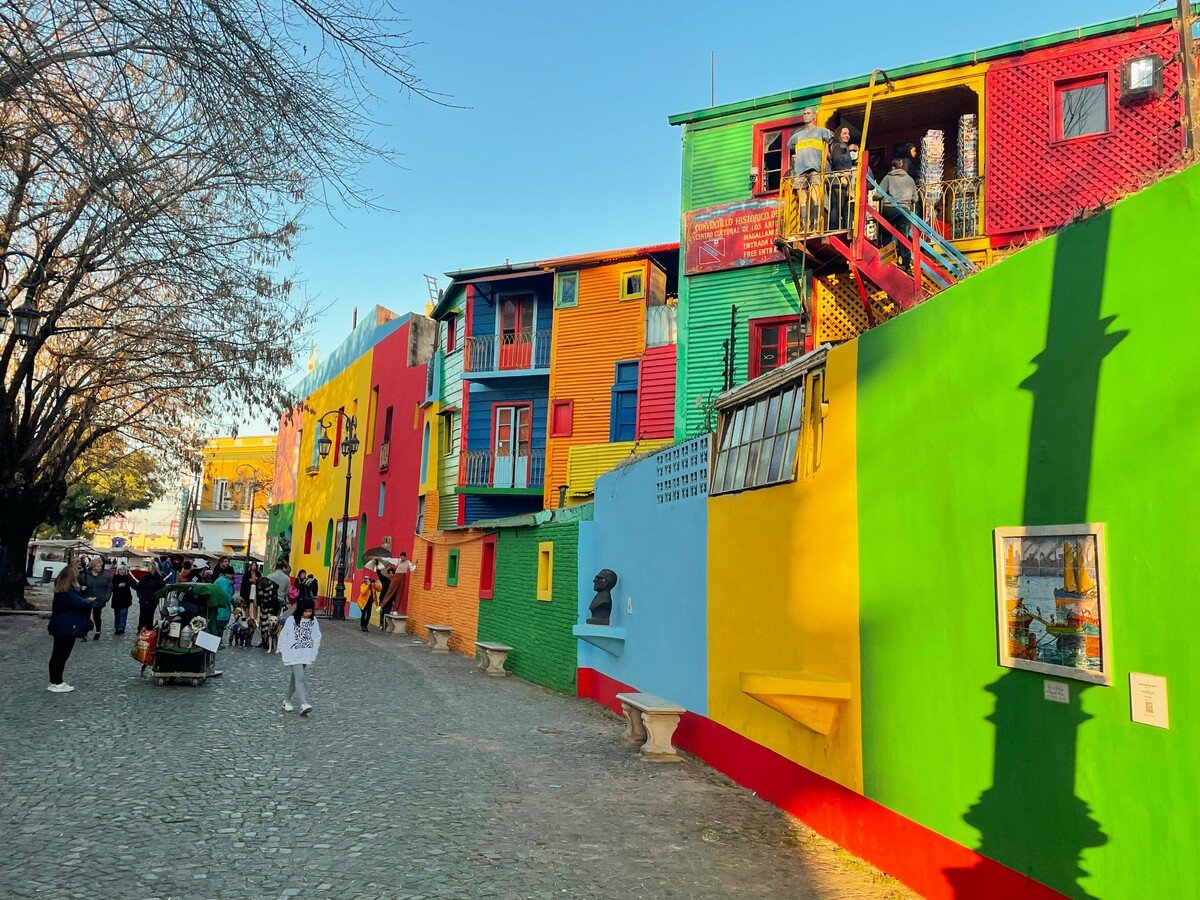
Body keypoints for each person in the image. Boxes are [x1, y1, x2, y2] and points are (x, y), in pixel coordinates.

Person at [785, 107, 833, 233]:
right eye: (804, 114)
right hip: (799, 170)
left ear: (814, 116)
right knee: (802, 197)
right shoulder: (796, 136)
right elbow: (790, 151)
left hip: (815, 168)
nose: (805, 116)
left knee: (814, 195)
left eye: (808, 113)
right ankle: (803, 227)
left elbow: (832, 143)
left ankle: (816, 225)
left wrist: (827, 161)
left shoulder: (822, 131)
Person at [47, 566, 92, 692]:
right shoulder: (69, 592)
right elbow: (80, 603)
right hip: (66, 626)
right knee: (61, 655)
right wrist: (89, 602)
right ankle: (57, 682)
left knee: (57, 654)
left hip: (59, 625)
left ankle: (54, 681)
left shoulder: (61, 590)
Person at [872, 158, 919, 271]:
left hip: (889, 209)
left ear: (893, 167)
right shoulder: (910, 179)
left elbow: (878, 195)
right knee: (903, 237)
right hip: (904, 210)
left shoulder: (888, 177)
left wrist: (875, 197)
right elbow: (915, 198)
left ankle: (889, 261)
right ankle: (906, 265)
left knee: (886, 234)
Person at [280, 597, 321, 717]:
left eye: (310, 611)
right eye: (306, 611)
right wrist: (282, 649)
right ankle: (303, 703)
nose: (308, 613)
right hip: (293, 653)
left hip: (305, 653)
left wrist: (314, 649)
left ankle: (286, 701)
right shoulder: (291, 620)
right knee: (300, 678)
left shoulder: (314, 621)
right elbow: (284, 634)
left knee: (295, 678)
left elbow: (317, 635)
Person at [827, 126, 856, 231]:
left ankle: (843, 228)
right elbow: (837, 160)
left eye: (848, 134)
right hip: (839, 180)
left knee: (842, 206)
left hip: (841, 180)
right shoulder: (839, 146)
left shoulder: (841, 146)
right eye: (844, 133)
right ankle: (833, 229)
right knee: (837, 205)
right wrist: (843, 175)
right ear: (839, 134)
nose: (847, 136)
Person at [78, 558, 113, 642]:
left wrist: (106, 598)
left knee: (97, 616)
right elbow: (77, 585)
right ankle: (84, 634)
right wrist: (81, 588)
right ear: (93, 567)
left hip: (99, 599)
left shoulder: (105, 576)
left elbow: (109, 587)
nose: (100, 568)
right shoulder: (84, 575)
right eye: (98, 566)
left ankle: (98, 631)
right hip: (86, 598)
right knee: (85, 616)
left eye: (101, 566)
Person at [134, 560, 164, 632]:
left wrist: (155, 597)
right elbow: (139, 588)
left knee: (150, 616)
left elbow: (161, 590)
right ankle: (140, 631)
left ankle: (148, 631)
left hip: (152, 601)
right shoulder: (144, 577)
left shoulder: (159, 578)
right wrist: (141, 597)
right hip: (143, 600)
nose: (148, 567)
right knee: (142, 616)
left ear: (154, 567)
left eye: (149, 566)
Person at [110, 563, 135, 636]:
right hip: (116, 599)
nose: (121, 571)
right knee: (117, 614)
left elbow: (134, 585)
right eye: (120, 569)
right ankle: (117, 628)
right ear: (117, 570)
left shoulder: (127, 577)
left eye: (123, 569)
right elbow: (112, 587)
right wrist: (118, 586)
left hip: (125, 599)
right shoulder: (115, 577)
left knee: (123, 614)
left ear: (125, 570)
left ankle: (121, 627)